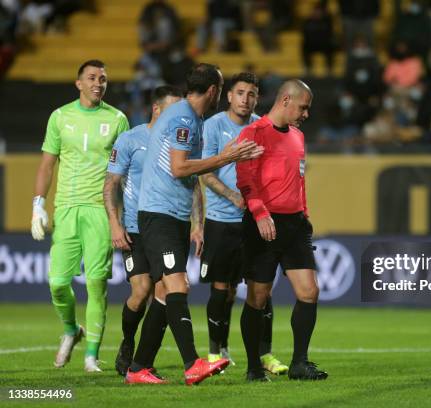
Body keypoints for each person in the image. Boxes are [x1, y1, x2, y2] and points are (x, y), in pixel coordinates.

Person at [124, 63, 263, 385]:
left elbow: (195, 168)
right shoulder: (184, 117)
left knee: (162, 293)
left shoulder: (192, 119)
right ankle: (192, 364)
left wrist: (225, 154)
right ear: (214, 90)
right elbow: (179, 168)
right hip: (159, 213)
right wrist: (226, 158)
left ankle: (138, 367)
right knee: (177, 284)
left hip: (173, 214)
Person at [31, 60, 130, 372]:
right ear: (79, 84)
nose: (98, 83)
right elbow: (47, 164)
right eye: (92, 78)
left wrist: (122, 216)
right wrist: (37, 204)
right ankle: (72, 330)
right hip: (67, 208)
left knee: (96, 283)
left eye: (103, 78)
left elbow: (125, 173)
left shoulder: (118, 119)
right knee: (58, 283)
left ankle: (90, 356)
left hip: (100, 210)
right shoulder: (60, 117)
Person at [236, 79, 328, 382]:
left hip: (294, 225)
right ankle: (253, 367)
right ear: (286, 100)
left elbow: (299, 180)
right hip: (263, 223)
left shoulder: (298, 137)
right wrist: (260, 213)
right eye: (304, 107)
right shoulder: (254, 133)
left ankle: (300, 363)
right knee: (258, 297)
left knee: (309, 292)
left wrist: (305, 213)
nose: (306, 114)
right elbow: (245, 179)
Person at [200, 72, 288, 375]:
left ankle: (266, 355)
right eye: (240, 93)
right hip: (221, 220)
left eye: (251, 94)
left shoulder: (263, 126)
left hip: (253, 220)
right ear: (229, 96)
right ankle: (216, 352)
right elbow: (205, 172)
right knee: (221, 288)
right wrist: (233, 195)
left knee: (261, 289)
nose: (245, 99)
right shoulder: (213, 126)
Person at [103, 85, 183, 377]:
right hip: (135, 229)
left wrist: (196, 224)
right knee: (142, 290)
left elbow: (192, 184)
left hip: (166, 228)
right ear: (157, 109)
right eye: (174, 109)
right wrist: (115, 223)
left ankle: (143, 360)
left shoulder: (179, 142)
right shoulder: (130, 139)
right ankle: (128, 342)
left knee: (162, 294)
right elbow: (111, 183)